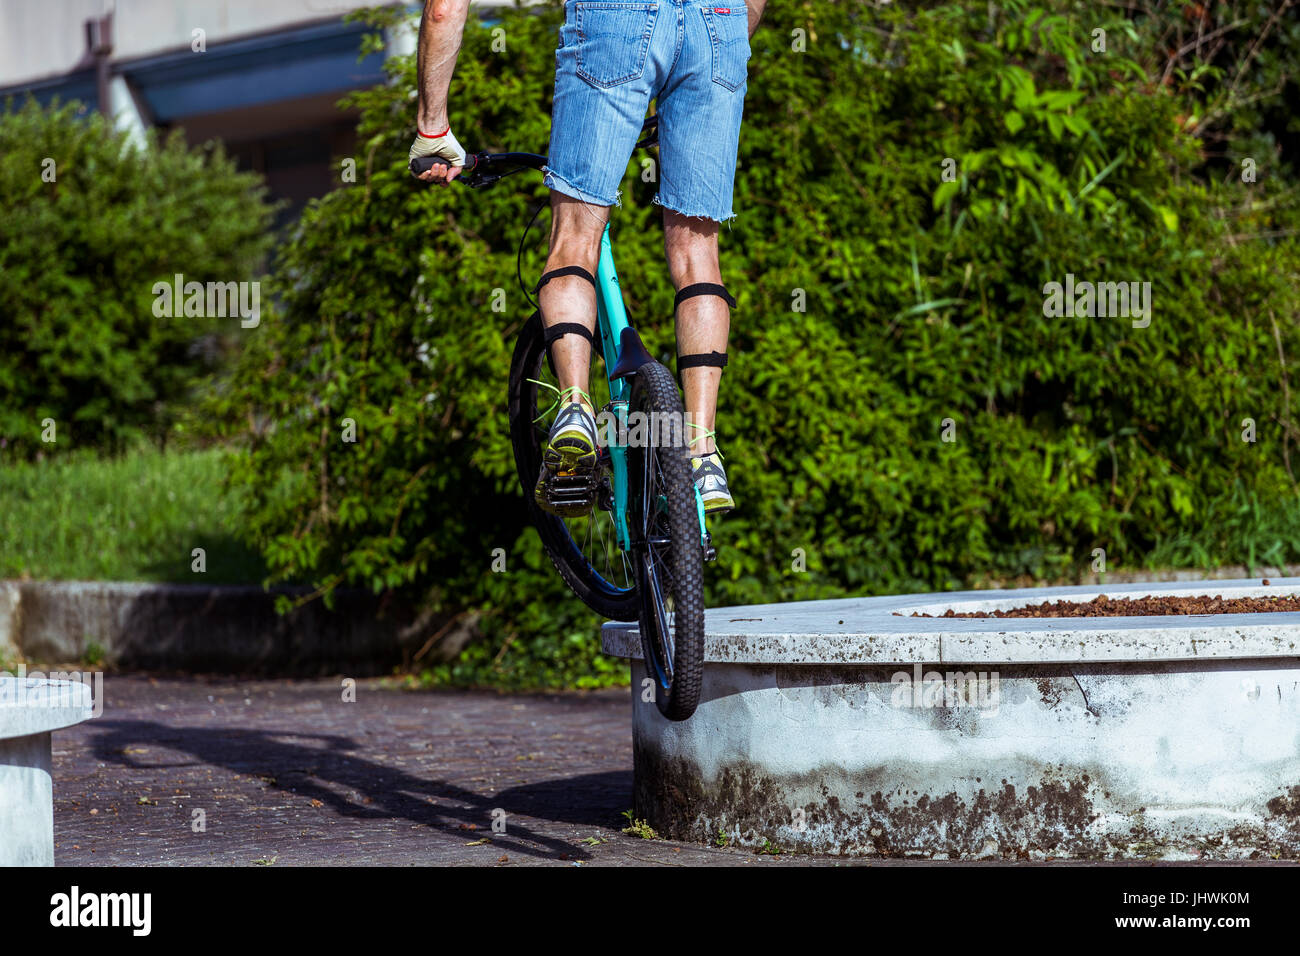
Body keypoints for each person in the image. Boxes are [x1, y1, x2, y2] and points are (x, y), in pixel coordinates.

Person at [410, 0, 764, 515]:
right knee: (698, 253)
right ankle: (702, 451)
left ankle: (575, 406)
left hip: (617, 18)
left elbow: (444, 10)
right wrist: (714, 49)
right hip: (720, 24)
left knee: (575, 237)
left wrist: (432, 127)